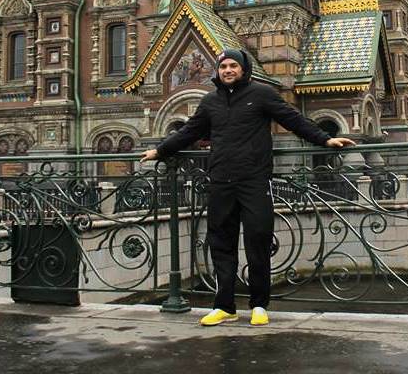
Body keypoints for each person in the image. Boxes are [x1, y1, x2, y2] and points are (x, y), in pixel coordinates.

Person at [140, 49, 354, 327]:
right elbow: (189, 131)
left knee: (258, 240)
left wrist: (325, 139)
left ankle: (259, 305)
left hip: (254, 180)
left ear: (243, 69)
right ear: (217, 71)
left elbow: (292, 118)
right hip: (221, 181)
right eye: (223, 67)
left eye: (233, 66)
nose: (228, 70)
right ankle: (224, 306)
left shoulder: (261, 94)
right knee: (221, 243)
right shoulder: (210, 101)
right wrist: (160, 150)